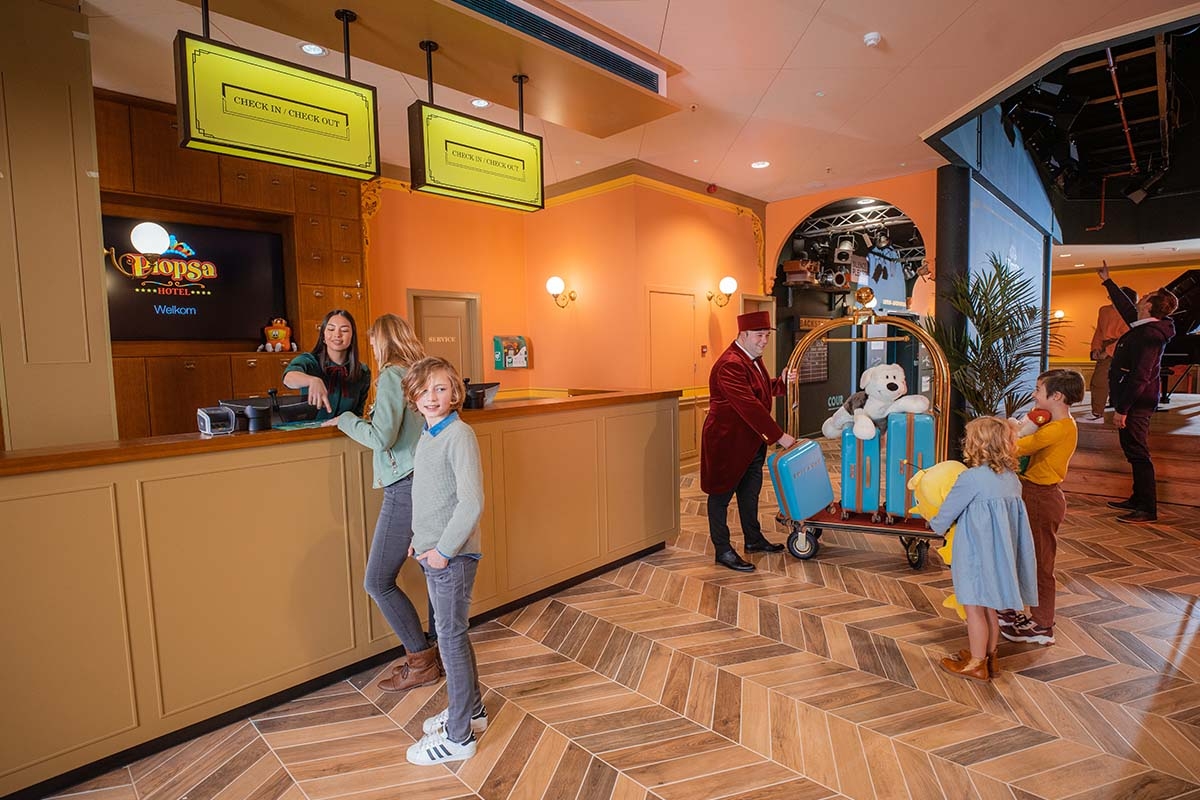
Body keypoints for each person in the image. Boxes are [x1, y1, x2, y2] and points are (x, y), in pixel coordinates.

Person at [322, 314, 441, 692]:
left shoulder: (392, 376)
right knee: (433, 572)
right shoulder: (422, 375)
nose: (371, 349)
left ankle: (421, 663)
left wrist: (345, 419)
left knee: (377, 581)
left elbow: (382, 437)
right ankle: (440, 652)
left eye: (373, 342)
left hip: (405, 486)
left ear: (384, 342)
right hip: (430, 483)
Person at [401, 357, 487, 766]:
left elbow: (471, 502)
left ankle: (459, 737)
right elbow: (430, 495)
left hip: (451, 558)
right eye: (423, 390)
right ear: (413, 397)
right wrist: (418, 540)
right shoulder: (428, 433)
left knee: (450, 640)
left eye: (440, 388)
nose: (431, 397)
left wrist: (443, 551)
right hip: (433, 553)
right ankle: (472, 711)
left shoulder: (459, 434)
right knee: (454, 635)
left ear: (455, 393)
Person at [930, 417, 1038, 683]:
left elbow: (946, 514)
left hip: (975, 553)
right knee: (990, 607)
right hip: (999, 555)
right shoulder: (1011, 478)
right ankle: (990, 656)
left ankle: (976, 664)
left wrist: (934, 524)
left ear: (976, 444)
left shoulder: (971, 478)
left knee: (974, 609)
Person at [700, 310, 797, 572]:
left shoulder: (751, 359)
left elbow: (760, 391)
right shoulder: (730, 364)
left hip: (751, 442)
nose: (764, 341)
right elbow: (749, 406)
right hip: (726, 443)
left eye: (767, 335)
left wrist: (781, 382)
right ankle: (722, 550)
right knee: (720, 497)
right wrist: (779, 436)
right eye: (759, 335)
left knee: (749, 493)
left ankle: (753, 539)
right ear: (743, 334)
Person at [999, 368, 1084, 646]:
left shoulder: (1059, 428)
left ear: (1056, 395)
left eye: (1038, 390)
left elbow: (1017, 447)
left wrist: (1007, 432)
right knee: (1022, 555)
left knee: (1040, 563)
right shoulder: (1052, 423)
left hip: (1041, 497)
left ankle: (1042, 624)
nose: (1034, 395)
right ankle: (1014, 610)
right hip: (1031, 493)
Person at [1098, 262, 1179, 524]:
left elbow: (1140, 376)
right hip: (1131, 401)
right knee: (1132, 450)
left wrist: (1123, 409)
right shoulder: (1145, 326)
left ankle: (1147, 508)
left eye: (1147, 296)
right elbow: (1125, 308)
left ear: (1149, 306)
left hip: (1136, 404)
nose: (1142, 297)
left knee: (1138, 453)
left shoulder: (1149, 335)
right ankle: (1137, 499)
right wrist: (1108, 281)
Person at [283, 309, 371, 421]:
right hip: (312, 430)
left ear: (352, 337)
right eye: (331, 329)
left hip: (343, 430)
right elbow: (288, 378)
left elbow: (358, 414)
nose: (337, 335)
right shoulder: (309, 361)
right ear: (323, 336)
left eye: (344, 330)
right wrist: (312, 381)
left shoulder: (362, 372)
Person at [1082, 286, 1136, 422]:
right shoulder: (1104, 310)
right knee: (1099, 380)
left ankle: (1125, 413)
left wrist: (1108, 351)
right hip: (1107, 345)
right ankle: (1097, 413)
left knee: (1123, 381)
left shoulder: (1132, 313)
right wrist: (1096, 348)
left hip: (1126, 347)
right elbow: (1099, 331)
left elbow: (1128, 335)